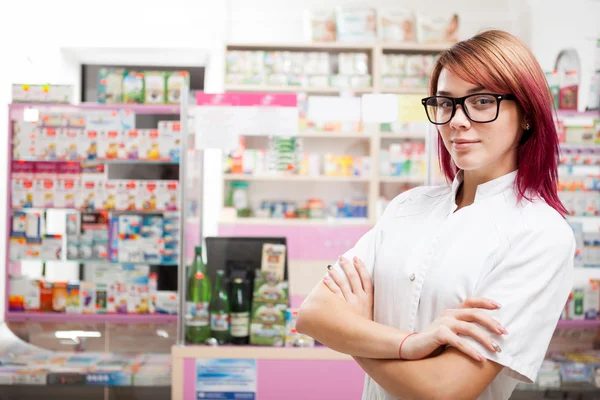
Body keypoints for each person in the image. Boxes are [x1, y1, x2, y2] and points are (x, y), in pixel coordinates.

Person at [296, 29, 575, 400]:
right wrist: (411, 344)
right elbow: (314, 314)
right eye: (445, 103)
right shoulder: (407, 207)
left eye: (480, 101)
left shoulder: (540, 234)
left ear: (526, 113)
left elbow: (446, 389)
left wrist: (357, 331)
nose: (456, 121)